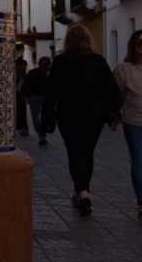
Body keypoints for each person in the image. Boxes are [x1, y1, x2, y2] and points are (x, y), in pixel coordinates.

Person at [42, 25, 122, 216]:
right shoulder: (99, 61)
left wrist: (44, 119)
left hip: (68, 115)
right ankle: (83, 191)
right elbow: (111, 90)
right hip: (95, 116)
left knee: (75, 152)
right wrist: (113, 114)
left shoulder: (60, 62)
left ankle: (82, 191)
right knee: (87, 153)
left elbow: (51, 93)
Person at [113, 29, 142, 216]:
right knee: (139, 161)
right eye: (140, 43)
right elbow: (117, 96)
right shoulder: (123, 69)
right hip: (133, 121)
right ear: (133, 46)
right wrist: (114, 118)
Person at [21, 56, 51, 145]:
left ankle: (42, 133)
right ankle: (40, 134)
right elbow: (27, 84)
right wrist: (25, 94)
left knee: (42, 116)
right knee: (36, 116)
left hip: (45, 96)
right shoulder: (33, 73)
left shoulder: (50, 73)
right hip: (35, 96)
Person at [15, 57, 29, 137]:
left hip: (20, 94)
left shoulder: (22, 74)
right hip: (18, 94)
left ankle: (22, 127)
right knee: (20, 111)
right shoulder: (20, 74)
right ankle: (22, 127)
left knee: (21, 111)